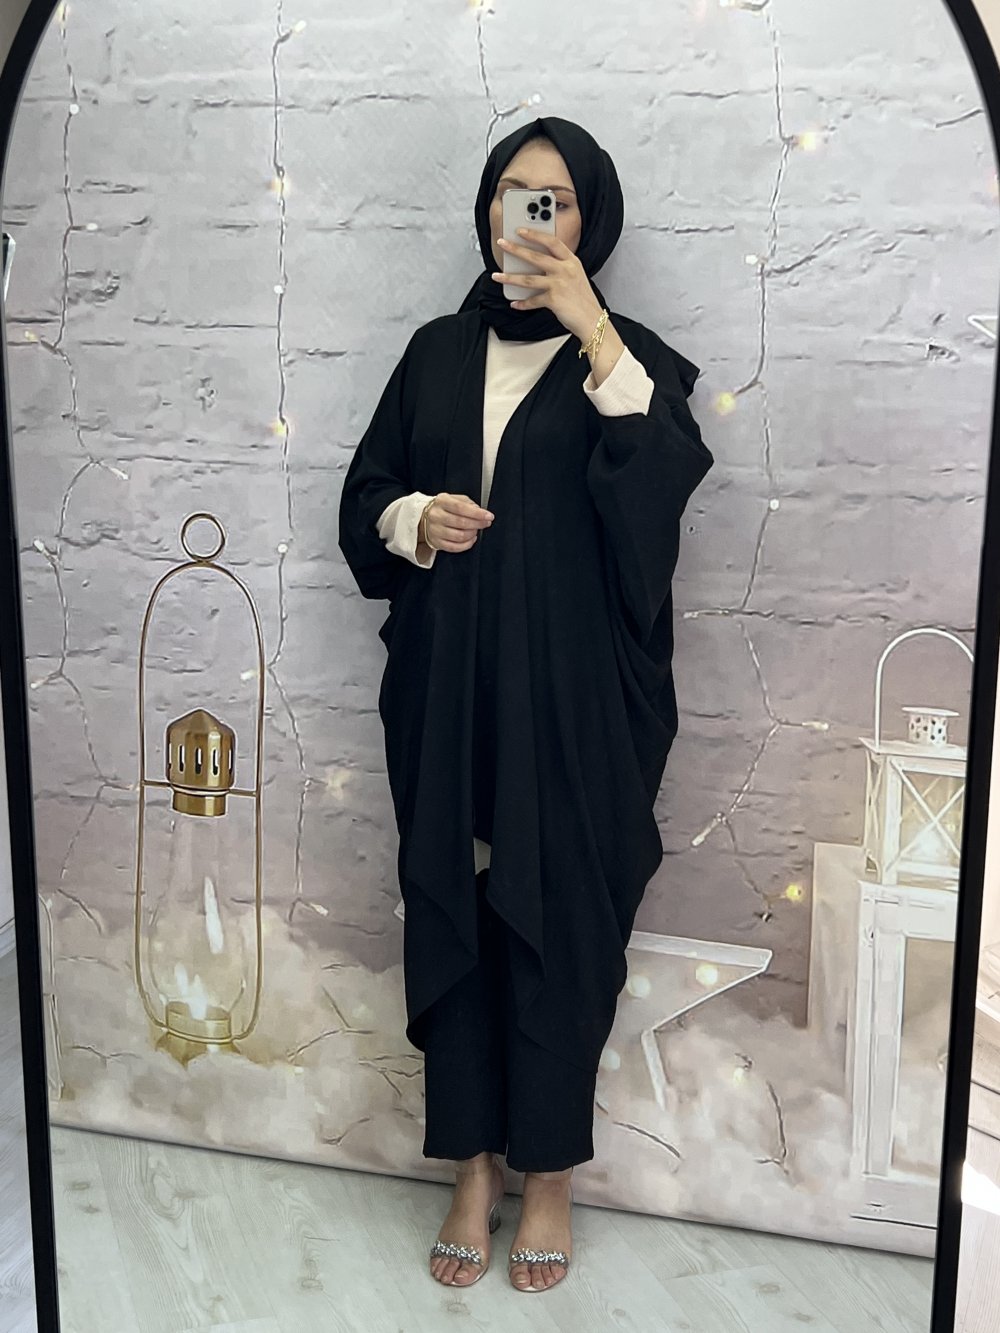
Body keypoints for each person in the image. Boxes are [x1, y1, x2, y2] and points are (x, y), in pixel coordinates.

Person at [338, 116, 713, 1294]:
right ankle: (472, 1164)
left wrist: (590, 324)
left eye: (556, 198)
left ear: (590, 219)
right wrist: (417, 517)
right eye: (515, 191)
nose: (532, 215)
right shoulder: (435, 352)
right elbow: (364, 498)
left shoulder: (627, 360)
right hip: (448, 689)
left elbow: (655, 494)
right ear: (488, 209)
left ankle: (547, 1172)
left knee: (561, 919)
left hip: (574, 702)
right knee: (453, 906)